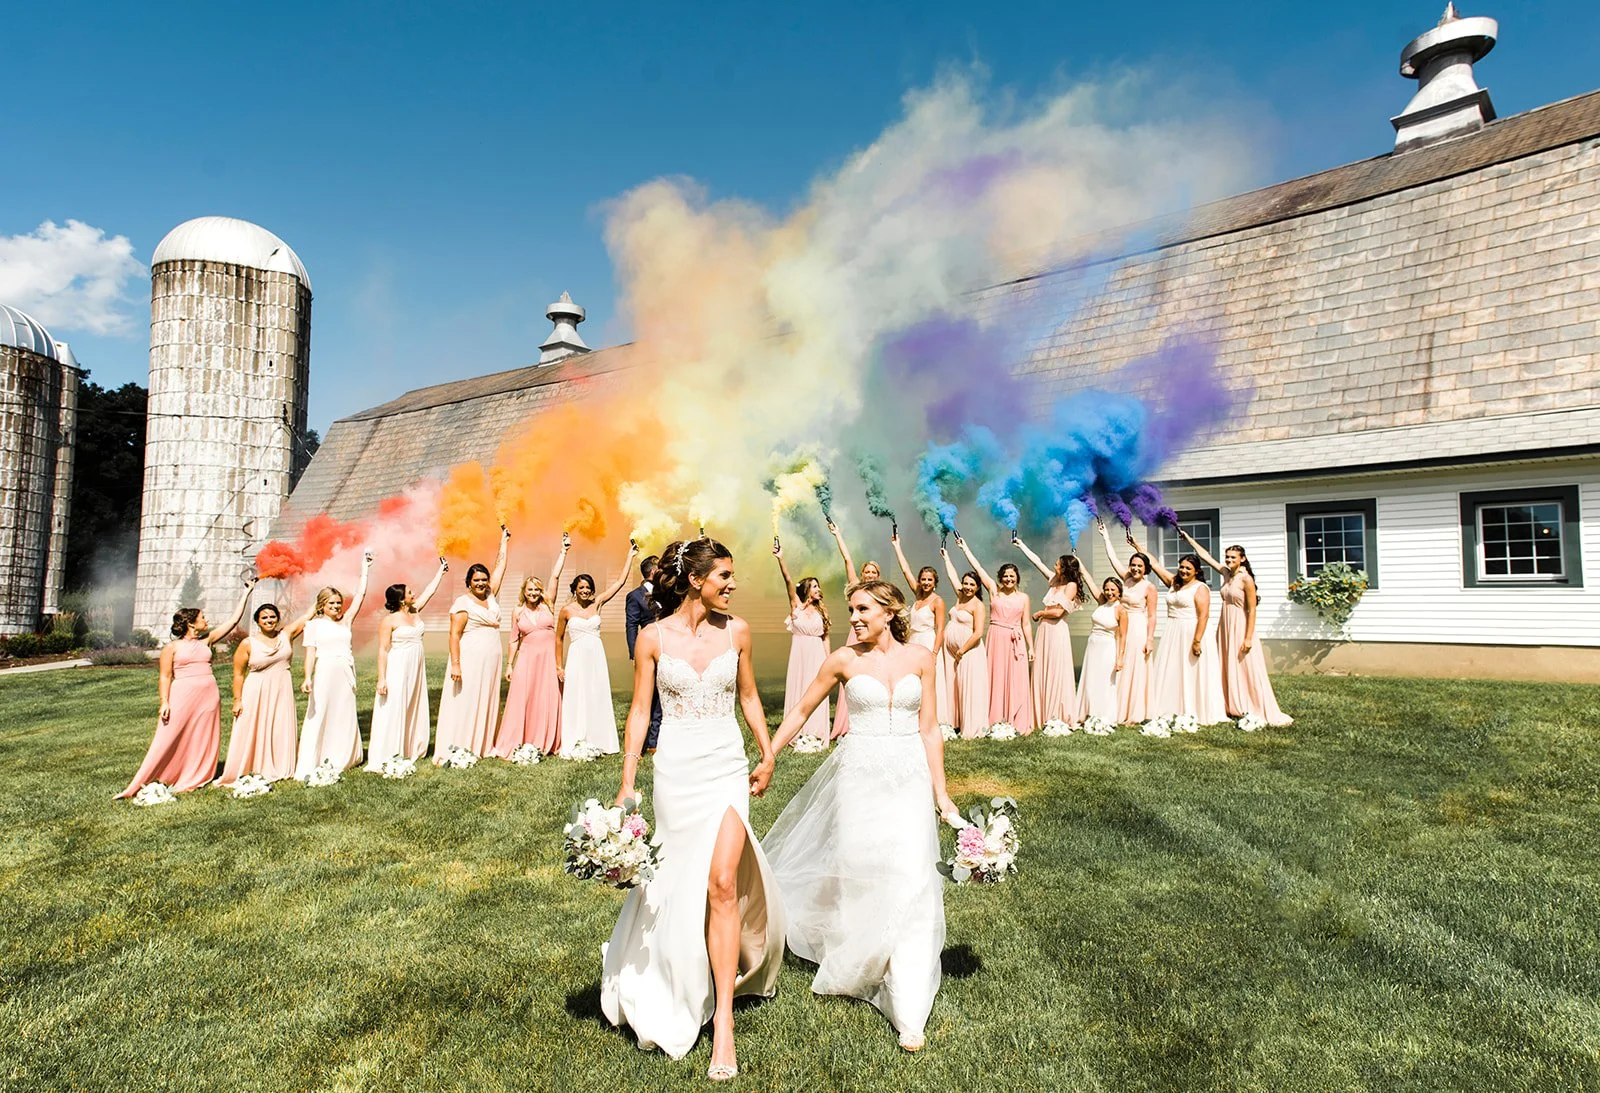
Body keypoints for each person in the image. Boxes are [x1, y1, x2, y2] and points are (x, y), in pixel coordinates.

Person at [602, 539, 784, 1080]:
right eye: (724, 575)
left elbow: (749, 696)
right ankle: (669, 972)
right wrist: (627, 778)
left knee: (723, 882)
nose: (732, 584)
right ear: (696, 579)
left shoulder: (740, 632)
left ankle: (723, 1025)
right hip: (676, 771)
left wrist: (767, 751)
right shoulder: (654, 638)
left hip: (725, 766)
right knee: (678, 880)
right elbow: (640, 709)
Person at [762, 579, 960, 1052]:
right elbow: (801, 710)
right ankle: (864, 959)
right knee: (861, 866)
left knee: (912, 874)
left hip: (909, 776)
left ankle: (908, 997)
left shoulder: (920, 658)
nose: (853, 617)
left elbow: (930, 729)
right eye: (851, 609)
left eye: (862, 609)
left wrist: (943, 794)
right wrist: (769, 754)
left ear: (890, 611)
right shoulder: (844, 660)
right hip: (860, 778)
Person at [118, 578, 258, 799]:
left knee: (203, 735)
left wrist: (247, 593)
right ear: (192, 623)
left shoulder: (207, 641)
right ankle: (155, 774)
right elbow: (165, 676)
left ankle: (200, 773)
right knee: (169, 734)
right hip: (182, 694)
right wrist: (164, 701)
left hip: (208, 694)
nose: (207, 619)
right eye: (203, 617)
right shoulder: (172, 648)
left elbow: (233, 621)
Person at [1176, 531, 1293, 727]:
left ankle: (1251, 704)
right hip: (1225, 623)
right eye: (1227, 557)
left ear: (1243, 559)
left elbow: (1252, 609)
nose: (1229, 560)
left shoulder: (1245, 579)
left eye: (1233, 557)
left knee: (1244, 665)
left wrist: (1248, 638)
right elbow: (1206, 556)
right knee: (1225, 663)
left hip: (1240, 624)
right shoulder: (1226, 573)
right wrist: (1188, 539)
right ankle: (1230, 704)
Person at [1131, 533, 1228, 724]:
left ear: (1196, 571)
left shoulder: (1200, 588)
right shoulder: (1174, 583)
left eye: (1188, 568)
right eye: (1181, 567)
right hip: (1173, 631)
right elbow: (1155, 564)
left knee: (1192, 670)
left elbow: (1204, 616)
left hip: (1192, 631)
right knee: (1173, 669)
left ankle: (1196, 708)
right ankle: (1171, 706)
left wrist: (1197, 641)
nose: (1183, 571)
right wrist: (1136, 546)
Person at [364, 557, 449, 770]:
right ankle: (390, 748)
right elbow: (383, 650)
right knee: (395, 703)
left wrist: (441, 570)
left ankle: (411, 745)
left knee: (413, 701)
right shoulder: (389, 621)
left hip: (416, 665)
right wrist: (382, 679)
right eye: (410, 592)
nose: (414, 594)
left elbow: (429, 591)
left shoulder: (415, 611)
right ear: (402, 599)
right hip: (398, 665)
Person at [295, 553, 375, 778]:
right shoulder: (313, 625)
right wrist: (307, 677)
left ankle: (344, 755)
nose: (337, 606)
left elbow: (360, 595)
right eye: (332, 603)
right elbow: (310, 654)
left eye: (339, 603)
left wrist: (365, 570)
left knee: (344, 711)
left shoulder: (346, 620)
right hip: (324, 672)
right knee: (320, 713)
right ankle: (317, 755)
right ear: (322, 605)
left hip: (345, 671)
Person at [556, 540, 639, 757]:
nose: (585, 591)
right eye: (581, 587)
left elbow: (620, 583)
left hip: (596, 655)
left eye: (588, 587)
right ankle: (576, 738)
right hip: (576, 656)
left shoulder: (598, 603)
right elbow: (558, 638)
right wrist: (559, 666)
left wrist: (630, 555)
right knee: (577, 694)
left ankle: (600, 738)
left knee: (596, 692)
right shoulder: (566, 610)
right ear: (575, 589)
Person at [490, 536, 570, 759]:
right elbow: (514, 639)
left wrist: (563, 551)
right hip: (526, 659)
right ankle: (520, 738)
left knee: (547, 696)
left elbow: (555, 576)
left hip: (548, 659)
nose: (533, 593)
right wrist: (509, 665)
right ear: (524, 592)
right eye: (529, 590)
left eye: (536, 590)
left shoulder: (548, 605)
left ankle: (548, 739)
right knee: (523, 697)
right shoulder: (517, 612)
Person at [436, 528, 511, 761]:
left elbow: (500, 567)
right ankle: (462, 742)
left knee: (487, 697)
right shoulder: (462, 603)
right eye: (476, 580)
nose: (481, 583)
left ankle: (485, 742)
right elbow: (454, 635)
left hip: (492, 658)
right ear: (468, 582)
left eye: (484, 579)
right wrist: (456, 665)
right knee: (467, 698)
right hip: (470, 659)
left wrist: (504, 542)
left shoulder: (490, 596)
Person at [220, 600, 311, 785]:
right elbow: (238, 674)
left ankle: (281, 764)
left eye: (272, 616)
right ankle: (249, 766)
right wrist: (237, 700)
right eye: (264, 618)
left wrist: (322, 598)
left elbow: (307, 616)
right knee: (252, 725)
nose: (269, 620)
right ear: (258, 621)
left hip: (282, 688)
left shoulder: (286, 635)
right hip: (256, 689)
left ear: (277, 618)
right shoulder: (248, 643)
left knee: (280, 726)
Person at [956, 534, 1035, 733]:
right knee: (995, 677)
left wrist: (1031, 647)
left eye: (1012, 576)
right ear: (1000, 578)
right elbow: (979, 569)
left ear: (1017, 578)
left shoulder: (1024, 597)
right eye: (1005, 576)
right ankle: (994, 717)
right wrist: (964, 548)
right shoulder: (994, 591)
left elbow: (1026, 624)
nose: (1009, 579)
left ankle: (1016, 718)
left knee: (1016, 678)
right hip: (996, 637)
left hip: (1015, 641)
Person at [1014, 535, 1087, 725]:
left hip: (1056, 630)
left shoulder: (1071, 586)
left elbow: (1059, 612)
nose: (1055, 566)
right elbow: (1037, 562)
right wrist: (1021, 545)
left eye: (1057, 564)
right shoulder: (1055, 581)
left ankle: (1055, 713)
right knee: (1042, 667)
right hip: (1045, 631)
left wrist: (1040, 613)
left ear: (1064, 568)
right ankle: (1041, 713)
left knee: (1055, 668)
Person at [824, 518, 881, 740]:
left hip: (874, 637)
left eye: (873, 572)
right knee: (852, 676)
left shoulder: (881, 594)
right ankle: (845, 725)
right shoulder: (857, 588)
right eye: (867, 572)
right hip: (856, 635)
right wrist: (838, 534)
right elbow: (847, 559)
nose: (869, 575)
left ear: (878, 575)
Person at [1098, 520, 1158, 723]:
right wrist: (1105, 536)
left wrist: (1150, 640)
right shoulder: (1126, 579)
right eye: (1133, 565)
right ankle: (1115, 706)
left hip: (1138, 628)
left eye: (1139, 566)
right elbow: (1113, 559)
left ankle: (1134, 710)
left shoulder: (1149, 587)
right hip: (1120, 627)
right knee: (1118, 664)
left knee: (1135, 667)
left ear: (1146, 568)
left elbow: (1152, 615)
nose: (1135, 568)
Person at [773, 541, 831, 747]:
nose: (819, 589)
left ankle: (815, 731)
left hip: (817, 654)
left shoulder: (822, 611)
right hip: (799, 653)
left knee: (815, 690)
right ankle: (797, 731)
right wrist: (780, 558)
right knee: (800, 688)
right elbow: (788, 580)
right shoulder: (796, 605)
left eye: (818, 586)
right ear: (807, 589)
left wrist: (828, 659)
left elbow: (825, 637)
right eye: (815, 586)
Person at [892, 530, 952, 725]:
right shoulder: (917, 596)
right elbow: (905, 570)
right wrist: (897, 546)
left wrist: (935, 653)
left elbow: (941, 629)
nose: (925, 583)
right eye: (923, 579)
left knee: (928, 681)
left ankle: (933, 718)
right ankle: (913, 717)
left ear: (935, 583)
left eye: (929, 580)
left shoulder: (938, 601)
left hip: (928, 642)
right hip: (913, 641)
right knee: (911, 680)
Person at [940, 545, 991, 739]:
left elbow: (978, 633)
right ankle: (956, 723)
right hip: (952, 652)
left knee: (969, 687)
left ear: (978, 587)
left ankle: (972, 726)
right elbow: (952, 576)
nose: (968, 587)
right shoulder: (960, 596)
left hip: (969, 652)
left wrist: (962, 649)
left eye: (972, 585)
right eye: (966, 583)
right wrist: (946, 558)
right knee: (955, 687)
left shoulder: (978, 605)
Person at [624, 550, 663, 751]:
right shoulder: (635, 596)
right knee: (646, 694)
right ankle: (639, 739)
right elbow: (631, 625)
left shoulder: (666, 593)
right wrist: (634, 654)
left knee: (661, 694)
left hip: (666, 647)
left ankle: (655, 740)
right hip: (647, 650)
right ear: (654, 572)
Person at [1074, 577, 1128, 723]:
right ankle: (1089, 711)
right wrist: (1080, 567)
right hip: (1093, 645)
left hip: (1107, 647)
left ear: (1119, 592)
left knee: (1104, 681)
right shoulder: (1102, 604)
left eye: (1113, 590)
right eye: (1107, 589)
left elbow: (1123, 637)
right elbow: (1090, 582)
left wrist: (1120, 659)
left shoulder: (1121, 610)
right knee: (1091, 678)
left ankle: (1104, 715)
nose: (1109, 592)